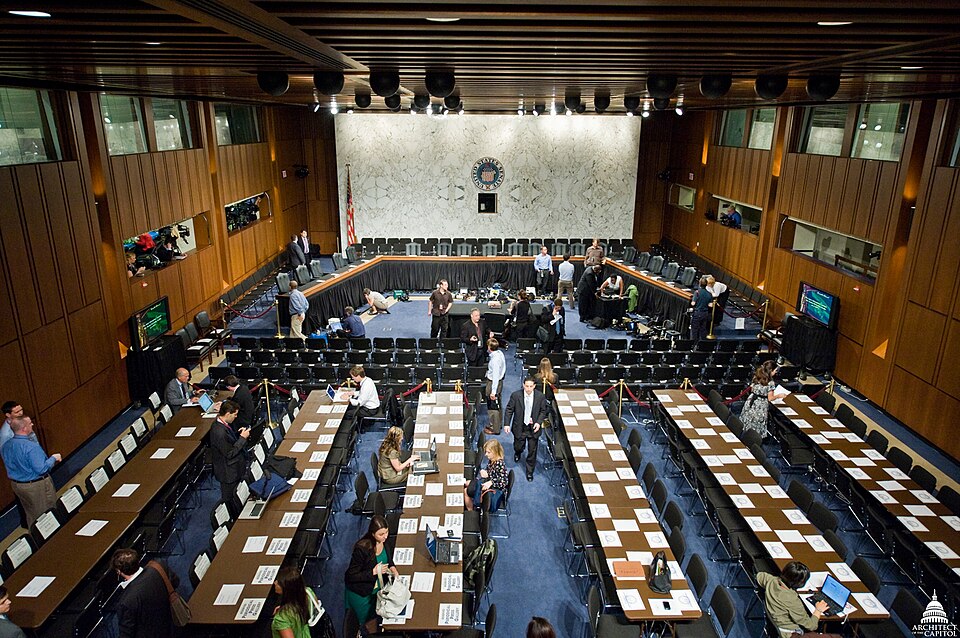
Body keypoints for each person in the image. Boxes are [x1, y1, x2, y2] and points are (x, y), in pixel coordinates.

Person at [0, 416, 60, 527]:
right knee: (46, 515)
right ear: (24, 428)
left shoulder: (6, 445)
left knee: (31, 515)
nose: (32, 425)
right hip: (36, 486)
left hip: (18, 486)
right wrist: (53, 458)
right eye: (30, 423)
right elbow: (42, 469)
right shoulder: (31, 447)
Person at [344, 515, 398, 635]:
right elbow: (350, 576)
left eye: (387, 532)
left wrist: (393, 567)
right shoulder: (362, 549)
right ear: (373, 534)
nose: (385, 536)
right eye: (381, 534)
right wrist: (373, 572)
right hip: (362, 593)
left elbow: (387, 557)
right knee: (370, 621)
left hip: (378, 588)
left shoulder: (384, 540)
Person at [758, 562, 840, 638]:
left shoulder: (772, 581)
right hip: (790, 634)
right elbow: (811, 626)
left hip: (776, 623)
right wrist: (818, 610)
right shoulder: (792, 601)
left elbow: (759, 576)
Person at [111, 548, 174, 638]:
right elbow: (175, 582)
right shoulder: (158, 566)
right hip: (169, 623)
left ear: (118, 571)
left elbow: (127, 634)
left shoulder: (126, 602)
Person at [504, 377, 548, 481]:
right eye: (526, 386)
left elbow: (543, 411)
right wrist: (506, 424)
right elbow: (509, 410)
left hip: (533, 428)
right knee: (518, 445)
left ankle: (529, 472)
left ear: (534, 386)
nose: (528, 389)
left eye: (531, 386)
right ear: (523, 385)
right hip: (520, 426)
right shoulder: (516, 395)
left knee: (532, 451)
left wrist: (538, 422)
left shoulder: (540, 396)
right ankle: (518, 452)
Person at [210, 399, 250, 503]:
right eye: (235, 414)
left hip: (234, 467)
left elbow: (229, 441)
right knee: (230, 500)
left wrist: (238, 435)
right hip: (228, 472)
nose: (236, 417)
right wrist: (242, 439)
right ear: (228, 414)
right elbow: (229, 453)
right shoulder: (219, 432)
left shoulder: (223, 424)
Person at [741, 363, 788, 439]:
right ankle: (754, 439)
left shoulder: (757, 376)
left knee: (748, 420)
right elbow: (770, 398)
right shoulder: (770, 382)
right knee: (757, 424)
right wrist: (779, 395)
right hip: (761, 406)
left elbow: (752, 388)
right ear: (770, 371)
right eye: (775, 370)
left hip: (751, 401)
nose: (776, 372)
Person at [271, 566, 319, 638]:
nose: (275, 583)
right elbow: (315, 606)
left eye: (278, 582)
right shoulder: (308, 592)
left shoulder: (282, 618)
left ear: (286, 589)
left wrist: (284, 611)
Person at [465, 439, 508, 511]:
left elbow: (504, 481)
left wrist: (491, 482)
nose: (486, 454)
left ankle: (472, 512)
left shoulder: (500, 464)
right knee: (467, 483)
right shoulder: (492, 460)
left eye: (488, 452)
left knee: (466, 491)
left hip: (492, 489)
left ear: (495, 452)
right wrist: (486, 473)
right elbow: (492, 473)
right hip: (485, 482)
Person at [484, 339, 506, 435]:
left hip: (493, 383)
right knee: (497, 404)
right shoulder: (500, 353)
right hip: (498, 382)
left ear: (489, 348)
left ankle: (495, 428)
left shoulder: (495, 361)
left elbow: (496, 376)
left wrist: (493, 391)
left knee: (493, 407)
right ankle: (498, 424)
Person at [689, 277, 713, 342]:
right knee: (703, 329)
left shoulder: (697, 292)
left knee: (694, 329)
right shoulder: (709, 293)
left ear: (699, 284)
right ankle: (702, 344)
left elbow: (693, 303)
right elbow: (710, 305)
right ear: (706, 284)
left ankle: (693, 344)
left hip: (697, 313)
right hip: (705, 314)